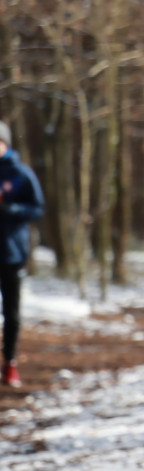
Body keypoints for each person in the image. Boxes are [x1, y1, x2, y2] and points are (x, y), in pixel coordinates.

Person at [0, 121, 45, 388]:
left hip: (11, 253)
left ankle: (10, 363)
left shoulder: (20, 173)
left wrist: (10, 209)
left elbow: (37, 208)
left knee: (11, 312)